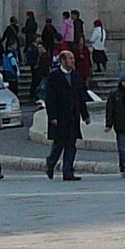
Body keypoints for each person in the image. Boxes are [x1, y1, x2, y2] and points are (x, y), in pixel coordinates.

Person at [44, 49, 90, 181]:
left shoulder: (76, 76)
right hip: (60, 116)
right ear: (63, 61)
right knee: (59, 143)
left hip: (73, 116)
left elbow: (81, 96)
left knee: (71, 144)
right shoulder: (54, 76)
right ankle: (51, 162)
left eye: (73, 59)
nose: (73, 61)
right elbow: (50, 98)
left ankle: (68, 171)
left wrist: (85, 115)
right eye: (70, 59)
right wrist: (52, 116)